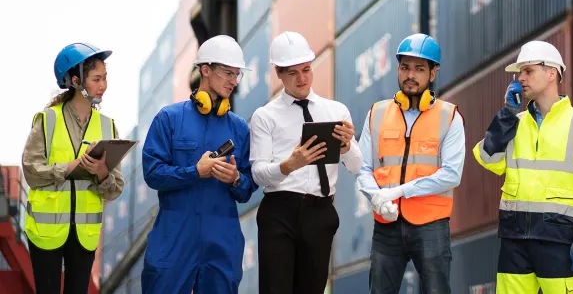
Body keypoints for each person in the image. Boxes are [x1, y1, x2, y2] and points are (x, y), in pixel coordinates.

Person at [473, 40, 573, 293]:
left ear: (551, 73)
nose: (520, 78)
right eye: (519, 72)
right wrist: (506, 115)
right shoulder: (514, 122)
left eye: (528, 71)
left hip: (559, 240)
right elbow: (487, 158)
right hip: (515, 242)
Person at [141, 35, 257, 294]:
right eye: (228, 73)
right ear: (206, 70)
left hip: (222, 241)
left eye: (237, 75)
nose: (233, 81)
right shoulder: (169, 119)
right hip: (173, 239)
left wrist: (235, 179)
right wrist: (195, 172)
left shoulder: (239, 128)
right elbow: (152, 174)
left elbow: (249, 187)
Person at [249, 31, 360, 294]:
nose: (302, 78)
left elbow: (355, 166)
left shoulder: (336, 111)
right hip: (280, 212)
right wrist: (289, 165)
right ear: (278, 73)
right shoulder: (265, 117)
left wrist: (345, 146)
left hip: (320, 213)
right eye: (292, 73)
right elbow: (257, 173)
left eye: (306, 70)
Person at [356, 33, 466, 294]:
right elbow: (363, 169)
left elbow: (452, 175)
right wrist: (378, 199)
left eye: (419, 69)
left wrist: (399, 191)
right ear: (397, 69)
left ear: (432, 73)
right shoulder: (377, 114)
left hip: (431, 226)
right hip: (386, 226)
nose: (410, 75)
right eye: (405, 67)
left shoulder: (449, 117)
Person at [21, 42, 125, 294]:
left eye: (105, 77)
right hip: (46, 231)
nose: (103, 85)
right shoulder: (47, 120)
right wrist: (67, 167)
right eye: (96, 78)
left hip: (84, 232)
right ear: (76, 81)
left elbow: (115, 190)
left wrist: (101, 173)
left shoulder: (107, 127)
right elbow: (31, 171)